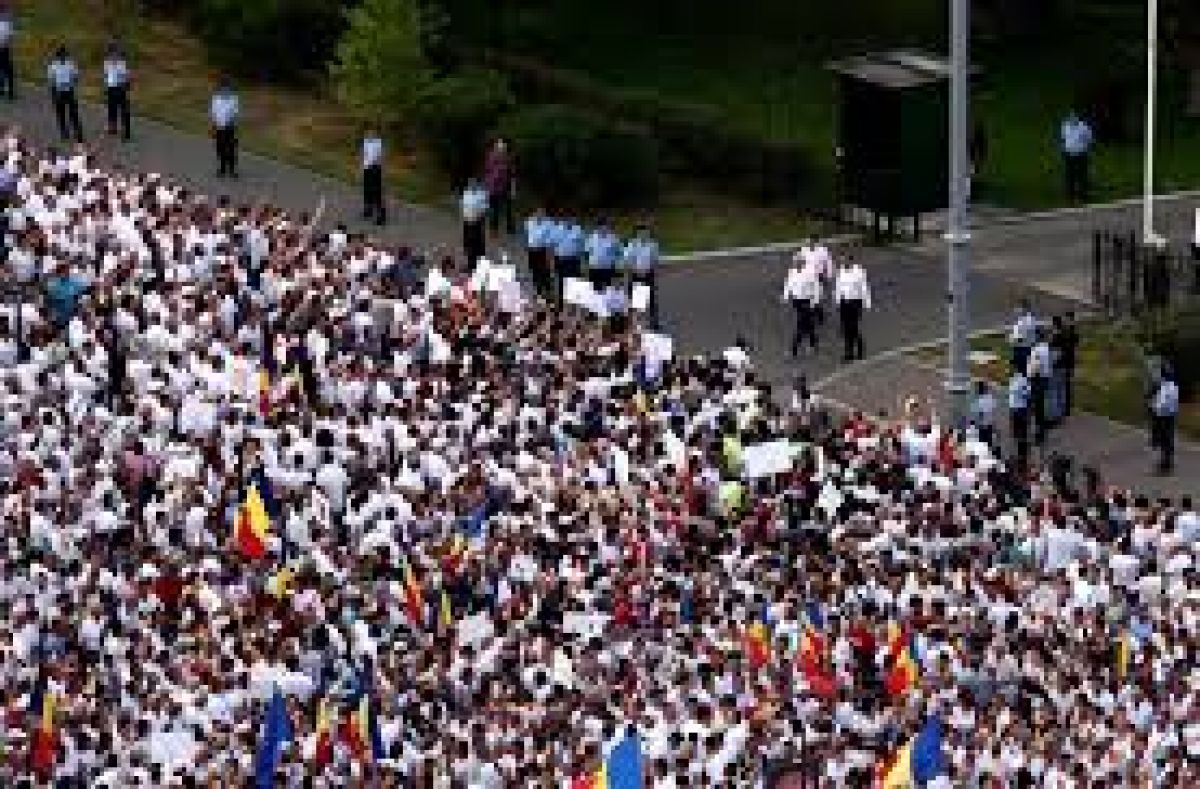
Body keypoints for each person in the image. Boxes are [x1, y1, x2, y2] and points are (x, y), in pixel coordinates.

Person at [781, 251, 820, 357]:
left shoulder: (809, 273)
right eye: (796, 262)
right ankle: (813, 342)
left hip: (806, 300)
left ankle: (794, 348)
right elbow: (788, 284)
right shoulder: (792, 272)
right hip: (797, 301)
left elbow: (816, 287)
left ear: (803, 263)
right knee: (808, 324)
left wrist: (815, 301)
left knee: (801, 324)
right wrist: (785, 296)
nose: (797, 264)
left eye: (799, 262)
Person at [834, 256, 871, 361]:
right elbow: (838, 288)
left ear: (851, 261)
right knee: (845, 329)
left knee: (853, 328)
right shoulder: (840, 272)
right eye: (842, 261)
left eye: (846, 261)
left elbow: (864, 288)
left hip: (855, 302)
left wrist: (866, 303)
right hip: (844, 303)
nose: (844, 263)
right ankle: (848, 353)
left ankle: (860, 349)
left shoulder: (859, 272)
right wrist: (837, 302)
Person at [623, 223, 660, 328]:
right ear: (637, 234)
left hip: (648, 274)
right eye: (641, 233)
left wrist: (650, 269)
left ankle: (653, 322)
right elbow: (628, 260)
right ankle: (633, 322)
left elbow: (655, 260)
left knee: (651, 298)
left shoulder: (653, 245)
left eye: (645, 232)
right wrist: (636, 270)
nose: (643, 235)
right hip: (635, 274)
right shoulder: (632, 245)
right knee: (634, 299)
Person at [47, 45, 83, 143]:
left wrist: (72, 83)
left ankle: (77, 131)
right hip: (58, 91)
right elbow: (51, 80)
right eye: (61, 56)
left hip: (69, 91)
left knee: (73, 113)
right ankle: (64, 132)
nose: (62, 57)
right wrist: (53, 94)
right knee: (61, 113)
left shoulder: (70, 64)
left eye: (64, 55)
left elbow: (76, 76)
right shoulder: (53, 66)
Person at [1149, 366, 1179, 474]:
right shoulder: (1174, 386)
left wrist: (1152, 409)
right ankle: (1167, 463)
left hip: (1161, 415)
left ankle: (1165, 465)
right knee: (1168, 439)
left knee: (1163, 439)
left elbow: (1154, 400)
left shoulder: (1160, 385)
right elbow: (1174, 401)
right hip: (1170, 415)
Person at [483, 138, 515, 236]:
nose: (501, 147)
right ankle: (494, 229)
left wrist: (513, 186)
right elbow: (487, 171)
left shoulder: (509, 158)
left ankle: (509, 228)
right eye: (499, 144)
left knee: (508, 209)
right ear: (495, 146)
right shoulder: (491, 156)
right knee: (494, 209)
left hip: (505, 186)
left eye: (503, 145)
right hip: (494, 186)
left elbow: (512, 173)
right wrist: (488, 185)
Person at [1060, 111, 1094, 202]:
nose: (1072, 118)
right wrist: (1064, 149)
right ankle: (1070, 194)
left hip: (1080, 154)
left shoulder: (1083, 127)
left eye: (1074, 117)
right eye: (1071, 116)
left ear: (1078, 118)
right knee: (1070, 175)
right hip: (1069, 154)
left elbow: (1089, 140)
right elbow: (1064, 138)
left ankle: (1083, 195)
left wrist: (1084, 149)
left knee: (1082, 175)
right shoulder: (1065, 126)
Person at [1027, 327, 1053, 446]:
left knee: (1036, 407)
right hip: (1045, 378)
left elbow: (1034, 368)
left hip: (1037, 379)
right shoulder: (1047, 348)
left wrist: (1029, 377)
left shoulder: (1036, 350)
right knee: (1042, 405)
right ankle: (1042, 429)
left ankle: (1038, 434)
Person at [210, 78, 240, 178]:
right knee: (221, 148)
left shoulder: (233, 99)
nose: (225, 90)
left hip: (229, 126)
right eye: (223, 88)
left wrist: (232, 122)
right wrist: (214, 125)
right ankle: (222, 169)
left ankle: (232, 170)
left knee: (231, 148)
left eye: (227, 88)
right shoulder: (216, 99)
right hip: (219, 127)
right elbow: (214, 113)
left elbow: (235, 113)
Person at [552, 214, 585, 304]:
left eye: (572, 219)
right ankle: (560, 301)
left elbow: (582, 245)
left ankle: (574, 301)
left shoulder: (578, 230)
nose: (569, 221)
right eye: (567, 219)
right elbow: (552, 243)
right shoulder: (557, 229)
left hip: (574, 259)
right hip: (560, 258)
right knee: (561, 281)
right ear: (563, 220)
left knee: (574, 280)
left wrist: (581, 257)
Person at [102, 42, 132, 141]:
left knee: (124, 110)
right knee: (112, 108)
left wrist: (126, 85)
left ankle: (126, 132)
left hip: (120, 88)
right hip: (111, 88)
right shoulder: (107, 63)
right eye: (111, 53)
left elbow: (127, 76)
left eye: (114, 53)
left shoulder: (122, 63)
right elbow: (106, 76)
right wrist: (105, 87)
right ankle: (113, 127)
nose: (112, 55)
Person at [524, 207, 553, 301]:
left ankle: (548, 290)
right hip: (532, 249)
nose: (539, 215)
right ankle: (538, 290)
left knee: (545, 270)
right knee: (534, 270)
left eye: (541, 213)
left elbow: (550, 237)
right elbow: (526, 234)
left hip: (543, 249)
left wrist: (549, 250)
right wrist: (526, 245)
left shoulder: (548, 223)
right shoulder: (529, 222)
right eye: (538, 213)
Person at [584, 219, 621, 290]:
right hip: (594, 267)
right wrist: (587, 265)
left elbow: (617, 253)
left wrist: (615, 265)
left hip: (608, 268)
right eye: (601, 226)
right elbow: (587, 252)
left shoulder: (613, 238)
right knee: (594, 290)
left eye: (606, 226)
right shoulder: (591, 237)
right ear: (598, 227)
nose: (604, 228)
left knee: (608, 289)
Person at [460, 177, 489, 266]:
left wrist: (479, 214)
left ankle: (474, 261)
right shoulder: (466, 193)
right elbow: (463, 205)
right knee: (469, 240)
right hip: (468, 219)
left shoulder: (481, 194)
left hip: (476, 220)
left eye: (473, 184)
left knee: (475, 240)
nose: (472, 186)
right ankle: (472, 257)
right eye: (470, 184)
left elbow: (484, 207)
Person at [1008, 366, 1032, 470]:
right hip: (1013, 409)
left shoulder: (1023, 380)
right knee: (1015, 433)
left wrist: (1021, 393)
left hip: (1021, 409)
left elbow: (1028, 394)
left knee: (1022, 433)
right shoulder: (1012, 379)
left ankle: (1023, 456)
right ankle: (1019, 454)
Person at [361, 128, 386, 225]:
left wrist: (375, 165)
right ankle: (368, 210)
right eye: (368, 132)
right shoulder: (366, 142)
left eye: (371, 132)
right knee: (367, 190)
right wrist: (362, 167)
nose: (369, 133)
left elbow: (380, 157)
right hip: (366, 168)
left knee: (376, 192)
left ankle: (381, 216)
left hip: (375, 168)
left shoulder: (378, 143)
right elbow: (364, 155)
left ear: (375, 133)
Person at [1008, 300, 1037, 373]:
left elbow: (1022, 335)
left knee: (1022, 366)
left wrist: (1015, 338)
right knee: (1020, 366)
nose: (1017, 309)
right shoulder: (1023, 319)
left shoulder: (1027, 319)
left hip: (1023, 347)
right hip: (1021, 346)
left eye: (1019, 307)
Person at [970, 379, 998, 450]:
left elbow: (975, 415)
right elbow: (994, 410)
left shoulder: (977, 400)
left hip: (981, 425)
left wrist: (972, 423)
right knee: (990, 442)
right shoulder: (990, 398)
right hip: (990, 424)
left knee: (982, 443)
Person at [0, 3, 14, 100]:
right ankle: (8, 90)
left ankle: (7, 90)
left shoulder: (6, 21)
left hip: (4, 47)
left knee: (5, 69)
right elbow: (9, 36)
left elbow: (8, 36)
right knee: (6, 69)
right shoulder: (7, 21)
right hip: (4, 47)